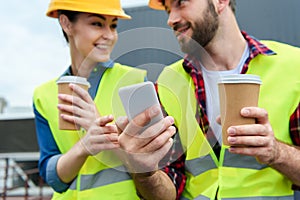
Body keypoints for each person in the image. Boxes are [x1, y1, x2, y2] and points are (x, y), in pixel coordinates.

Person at [33, 0, 185, 199]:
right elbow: (52, 177)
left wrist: (100, 129)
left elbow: (149, 164)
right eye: (97, 24)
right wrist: (84, 146)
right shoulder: (43, 95)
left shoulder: (135, 81)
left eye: (113, 25)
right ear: (66, 23)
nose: (109, 35)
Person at [148, 0, 300, 199]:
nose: (171, 19)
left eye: (180, 3)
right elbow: (169, 183)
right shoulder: (168, 81)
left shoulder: (293, 67)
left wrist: (276, 152)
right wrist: (143, 171)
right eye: (168, 10)